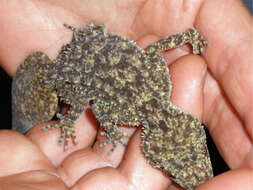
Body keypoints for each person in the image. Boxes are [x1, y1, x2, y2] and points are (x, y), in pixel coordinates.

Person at [0, 0, 252, 189]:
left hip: (89, 43)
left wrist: (185, 38)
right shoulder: (133, 112)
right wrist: (99, 127)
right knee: (81, 93)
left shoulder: (159, 87)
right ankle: (60, 115)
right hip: (73, 69)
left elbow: (153, 51)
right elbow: (96, 108)